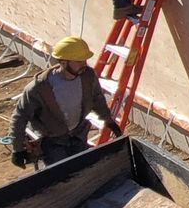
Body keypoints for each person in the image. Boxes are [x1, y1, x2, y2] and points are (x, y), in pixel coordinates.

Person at [9, 36, 119, 168]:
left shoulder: (87, 77)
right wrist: (17, 150)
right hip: (52, 142)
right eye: (78, 61)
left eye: (84, 60)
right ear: (64, 62)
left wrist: (109, 120)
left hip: (78, 135)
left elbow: (97, 99)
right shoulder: (39, 88)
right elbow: (20, 117)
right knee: (62, 175)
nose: (84, 64)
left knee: (83, 169)